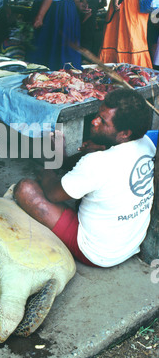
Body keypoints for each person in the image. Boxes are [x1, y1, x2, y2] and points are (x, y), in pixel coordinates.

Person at [14, 89, 156, 268]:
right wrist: (104, 146)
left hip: (97, 253)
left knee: (26, 189)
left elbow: (52, 194)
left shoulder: (96, 163)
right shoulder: (148, 143)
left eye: (103, 121)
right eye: (98, 114)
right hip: (131, 243)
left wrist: (49, 170)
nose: (94, 121)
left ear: (125, 133)